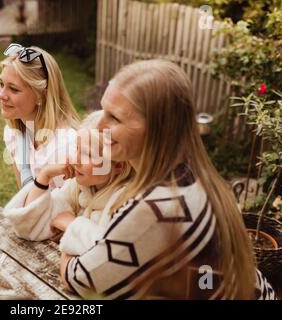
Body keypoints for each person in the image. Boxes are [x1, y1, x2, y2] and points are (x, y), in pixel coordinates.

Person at [60, 59, 275, 300]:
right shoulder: (191, 171)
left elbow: (79, 279)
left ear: (155, 128)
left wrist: (70, 248)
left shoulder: (156, 208)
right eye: (103, 110)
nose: (99, 124)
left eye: (115, 118)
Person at [3, 111, 134, 256]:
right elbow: (29, 226)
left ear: (118, 166)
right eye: (77, 148)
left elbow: (109, 255)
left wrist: (71, 224)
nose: (75, 159)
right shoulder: (78, 188)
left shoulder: (125, 203)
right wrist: (44, 175)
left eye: (88, 154)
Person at [0, 43, 80, 190]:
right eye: (1, 84)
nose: (1, 94)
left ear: (41, 96)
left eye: (13, 89)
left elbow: (72, 207)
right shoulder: (13, 133)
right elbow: (24, 196)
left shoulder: (66, 147)